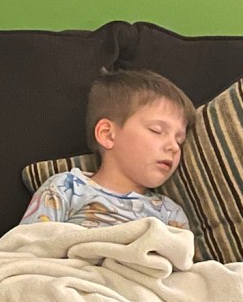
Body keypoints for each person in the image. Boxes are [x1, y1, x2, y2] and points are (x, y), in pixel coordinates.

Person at [19, 69, 194, 230]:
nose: (173, 147)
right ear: (108, 135)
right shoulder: (66, 188)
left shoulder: (170, 213)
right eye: (157, 130)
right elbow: (28, 245)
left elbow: (180, 253)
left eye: (179, 140)